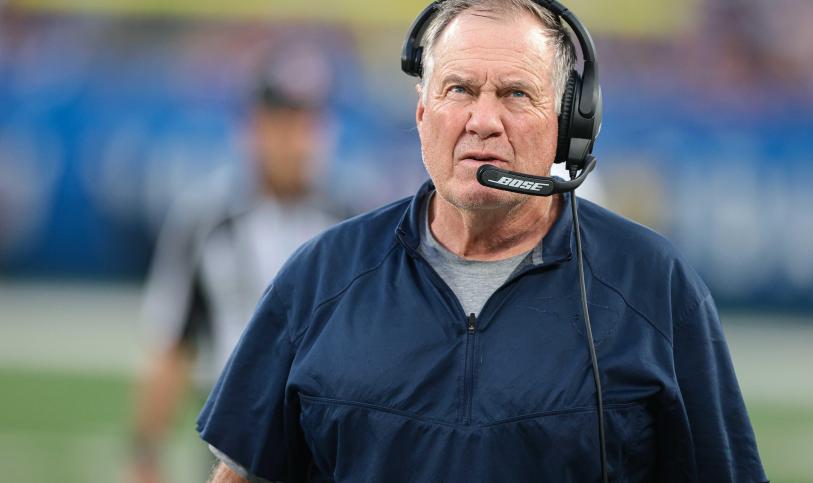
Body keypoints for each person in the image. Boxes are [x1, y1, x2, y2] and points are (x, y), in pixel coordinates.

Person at [197, 1, 768, 482]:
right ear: (422, 112)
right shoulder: (321, 276)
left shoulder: (654, 285)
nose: (482, 120)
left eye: (516, 94)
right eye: (459, 89)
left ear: (569, 125)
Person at [130, 44, 340, 483]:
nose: (296, 141)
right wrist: (145, 453)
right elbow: (171, 341)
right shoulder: (205, 219)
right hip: (231, 438)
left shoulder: (349, 224)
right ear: (252, 128)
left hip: (326, 441)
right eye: (282, 123)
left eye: (307, 124)